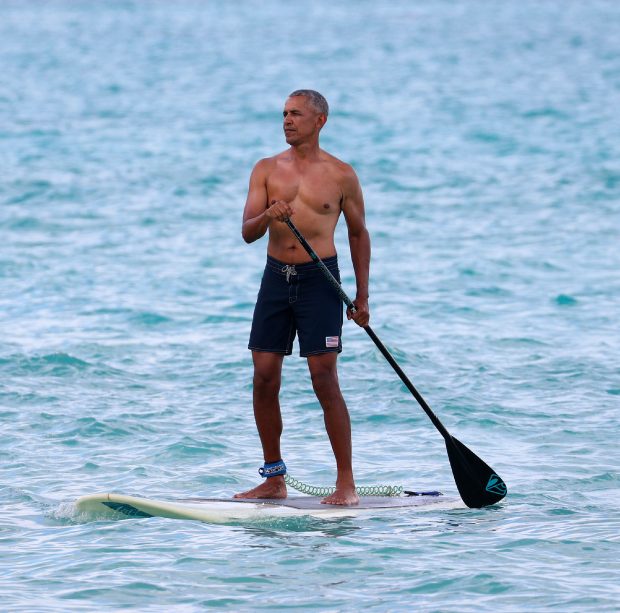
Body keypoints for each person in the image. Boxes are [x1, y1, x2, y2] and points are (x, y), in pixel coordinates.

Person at [236, 89, 370, 505]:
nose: (287, 120)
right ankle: (274, 478)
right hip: (276, 278)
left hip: (320, 281)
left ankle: (345, 484)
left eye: (296, 114)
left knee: (324, 378)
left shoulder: (341, 174)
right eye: (284, 114)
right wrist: (266, 216)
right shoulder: (266, 169)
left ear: (319, 121)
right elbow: (247, 232)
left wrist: (362, 297)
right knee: (263, 376)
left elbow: (357, 234)